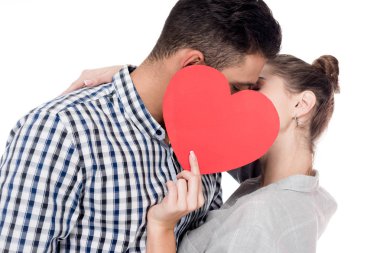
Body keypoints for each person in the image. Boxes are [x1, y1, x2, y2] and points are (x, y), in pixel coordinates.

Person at [0, 0, 281, 252]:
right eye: (235, 87)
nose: (235, 105)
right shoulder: (61, 131)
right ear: (192, 65)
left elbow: (277, 178)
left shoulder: (207, 142)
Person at [146, 54, 339, 252]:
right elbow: (215, 143)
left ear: (301, 104)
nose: (239, 98)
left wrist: (162, 226)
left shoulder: (258, 217)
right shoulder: (306, 194)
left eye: (256, 88)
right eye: (239, 88)